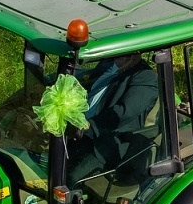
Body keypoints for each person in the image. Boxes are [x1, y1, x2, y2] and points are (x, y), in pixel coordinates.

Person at [69, 53, 161, 185]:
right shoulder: (109, 65)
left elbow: (124, 111)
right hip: (79, 128)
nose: (116, 58)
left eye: (122, 55)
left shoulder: (146, 77)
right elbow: (85, 79)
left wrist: (89, 125)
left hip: (108, 140)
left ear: (135, 55)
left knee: (71, 178)